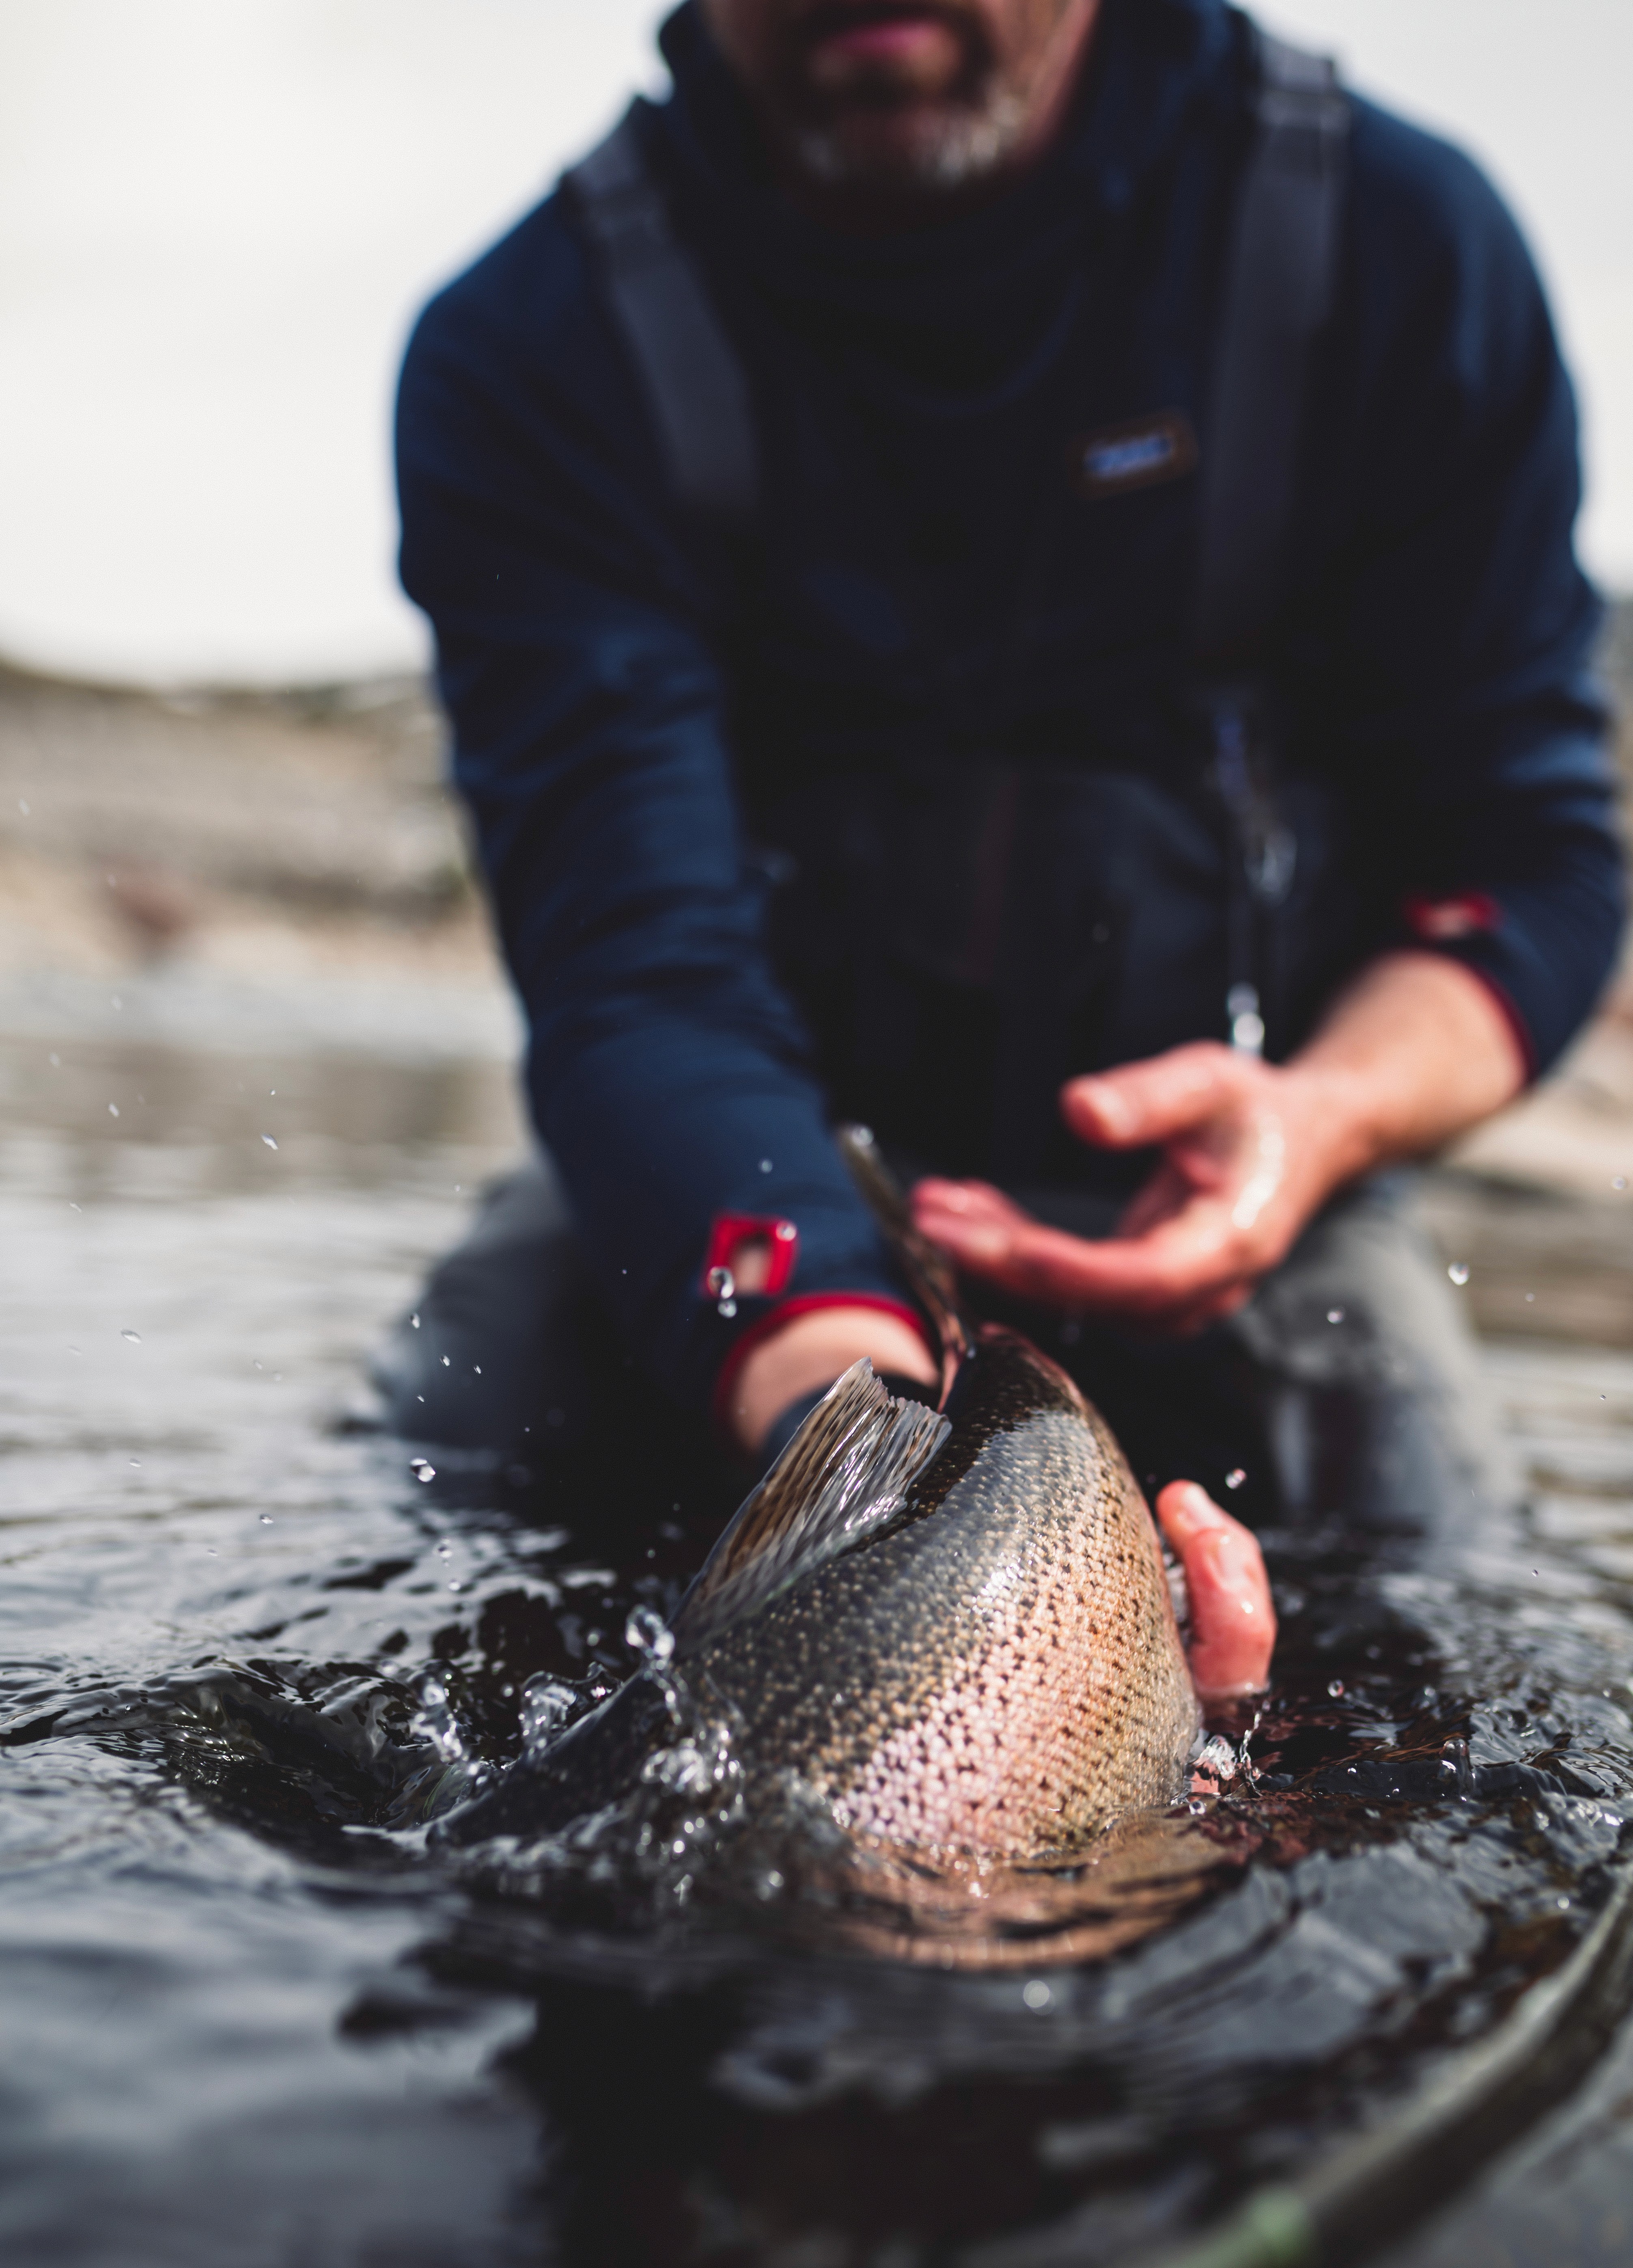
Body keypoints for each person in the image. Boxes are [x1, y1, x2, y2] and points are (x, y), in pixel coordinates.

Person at [385, 0, 1623, 1591]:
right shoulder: (534, 344)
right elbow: (634, 972)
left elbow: (1524, 869)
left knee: (1438, 1645)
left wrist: (1316, 1122)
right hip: (734, 1176)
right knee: (441, 1553)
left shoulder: (1397, 246)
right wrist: (856, 1443)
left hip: (1269, 1198)